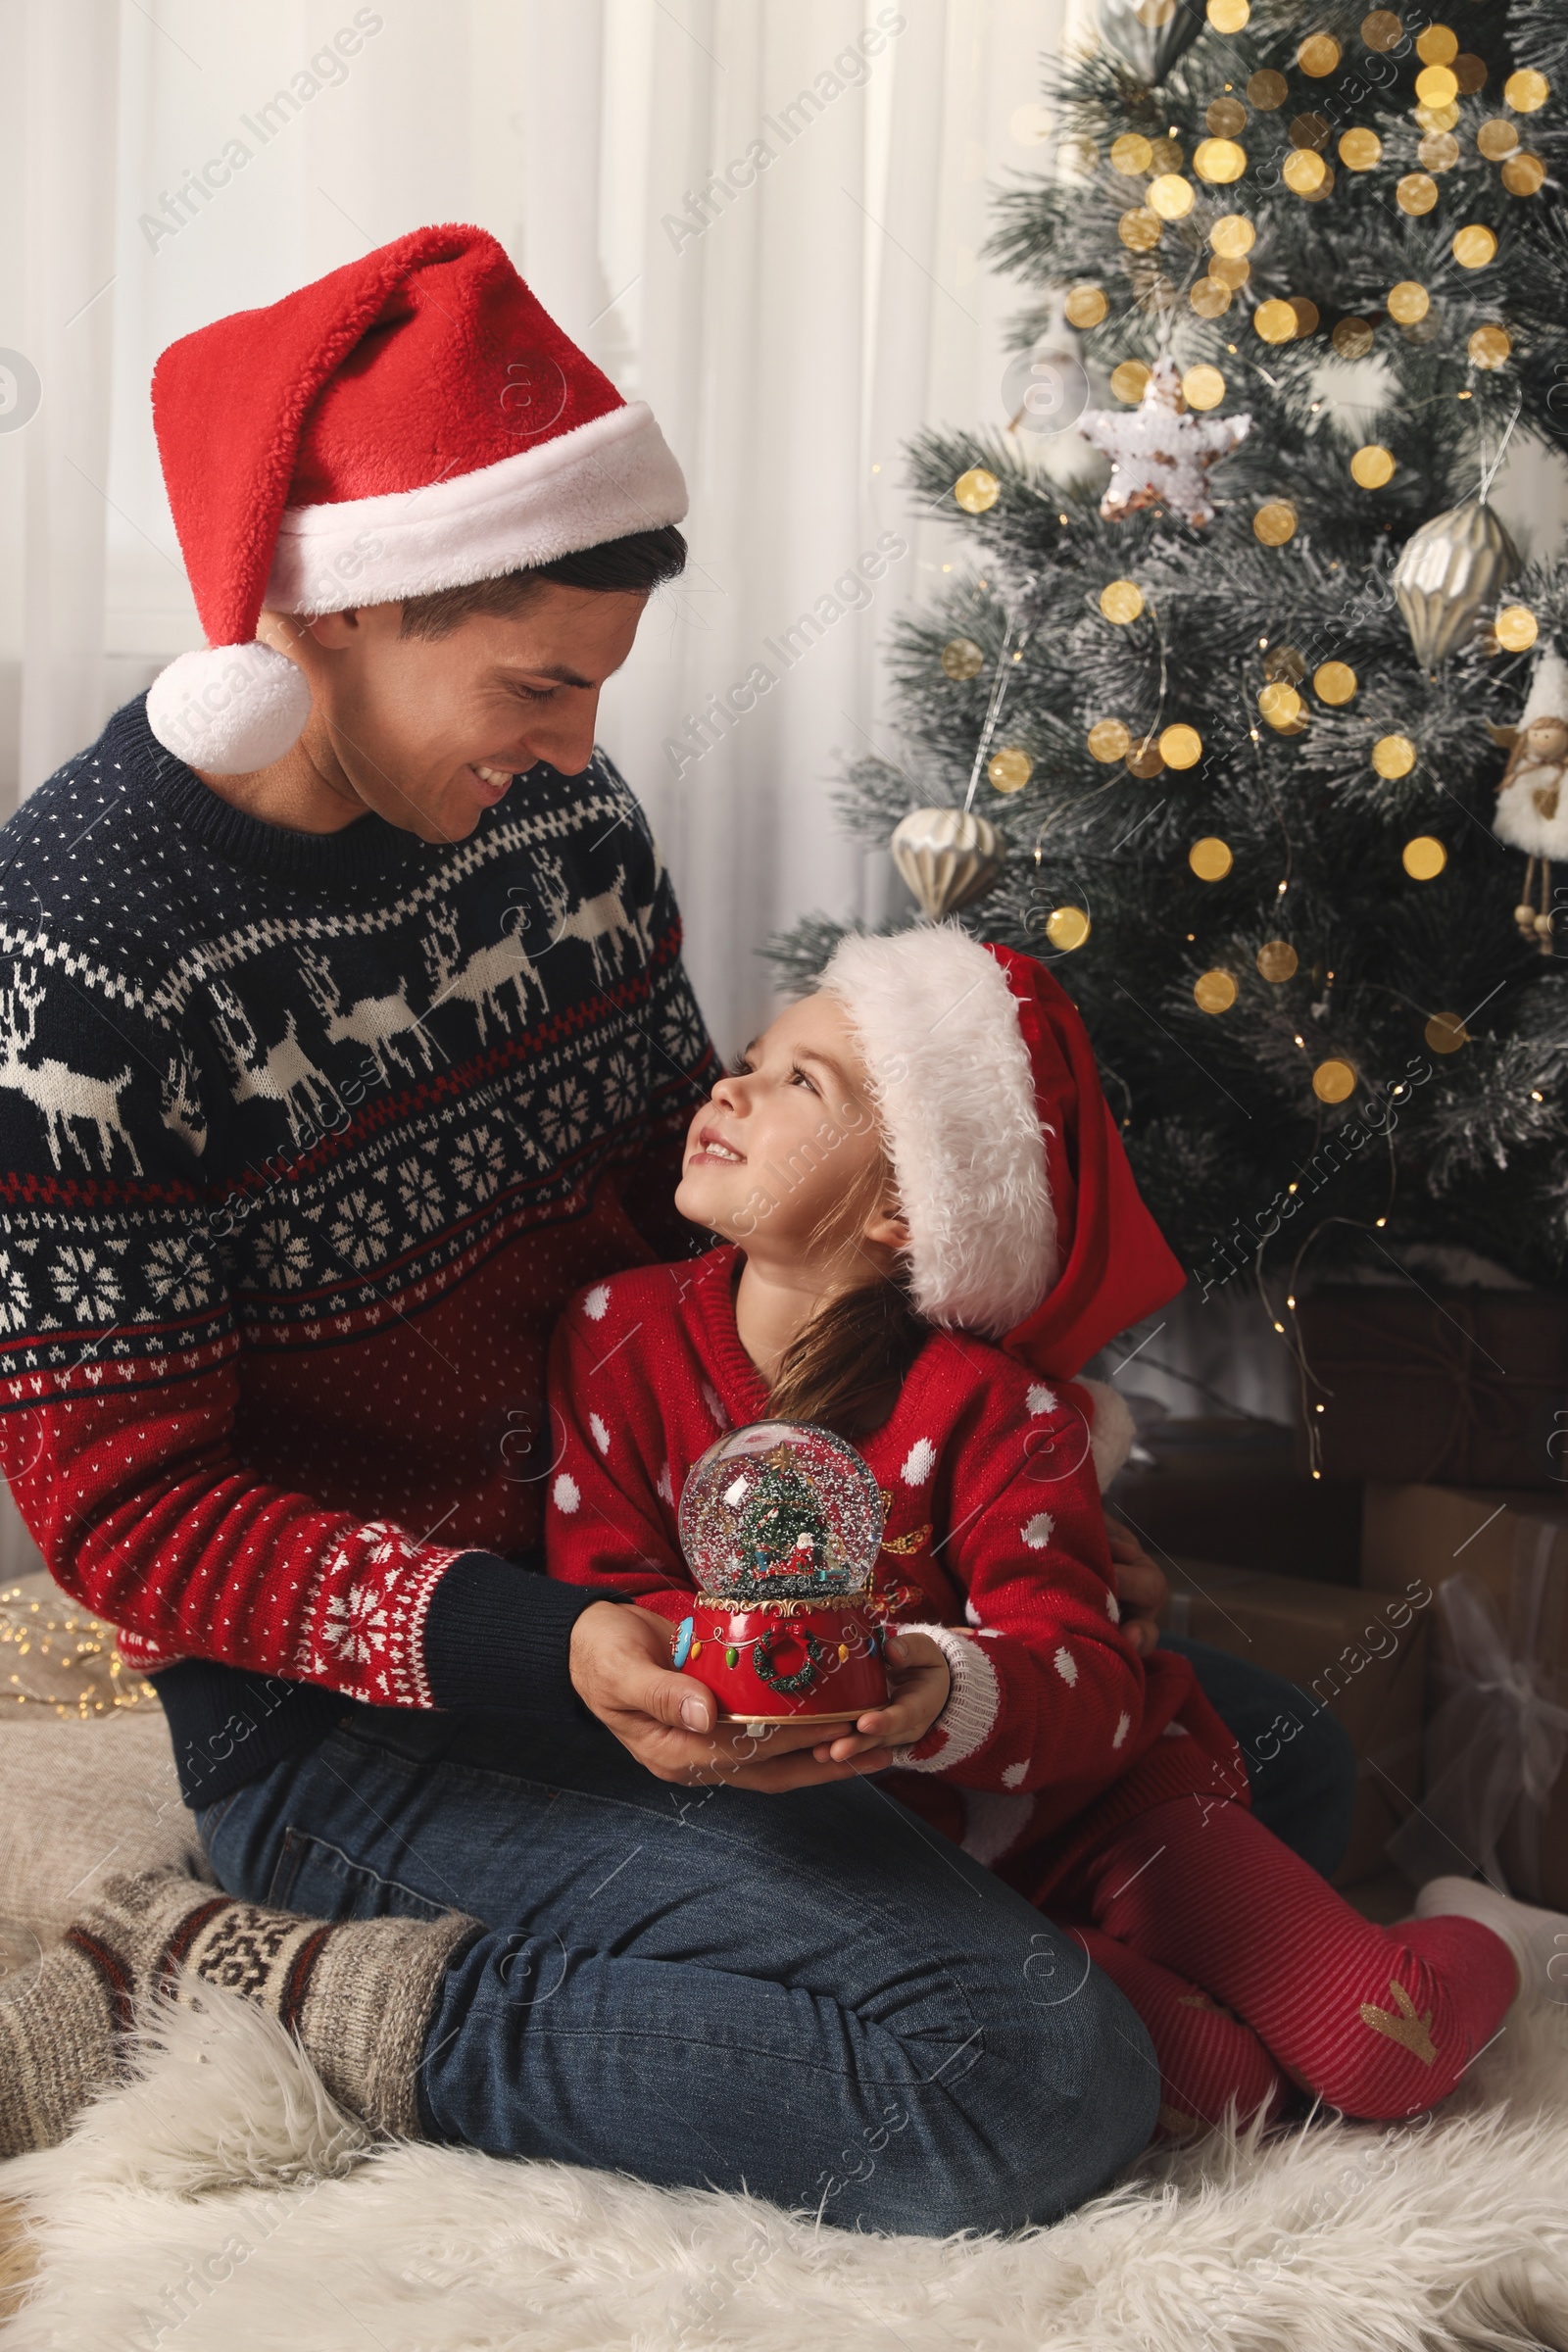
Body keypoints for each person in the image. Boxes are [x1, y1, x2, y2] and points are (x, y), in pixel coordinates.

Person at [0, 222, 1347, 2228]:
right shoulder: (82, 959)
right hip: (375, 1718)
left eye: (593, 692)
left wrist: (984, 1529)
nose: (572, 745)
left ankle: (770, 1944)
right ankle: (308, 1994)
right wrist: (552, 1649)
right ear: (337, 617)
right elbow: (126, 1513)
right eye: (535, 683)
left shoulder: (550, 823)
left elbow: (685, 1216)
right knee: (1019, 2077)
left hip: (677, 1569)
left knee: (1281, 1761)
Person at [542, 922, 1568, 2137]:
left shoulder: (997, 1410)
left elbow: (1086, 1672)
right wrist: (728, 1679)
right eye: (755, 1056)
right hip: (933, 1879)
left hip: (1106, 1811)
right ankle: (1182, 1970)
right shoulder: (613, 1335)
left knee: (1383, 2051)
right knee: (1218, 2097)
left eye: (798, 1082)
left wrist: (938, 1681)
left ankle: (1481, 1929)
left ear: (904, 1212)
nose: (731, 1084)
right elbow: (604, 1586)